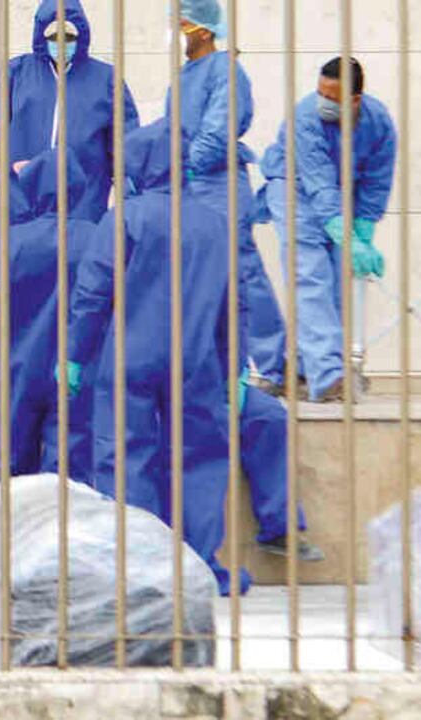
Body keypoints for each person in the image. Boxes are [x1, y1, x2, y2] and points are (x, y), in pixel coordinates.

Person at [63, 120, 319, 598]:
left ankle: (138, 570)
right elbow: (235, 302)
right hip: (197, 360)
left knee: (125, 458)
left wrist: (74, 355)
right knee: (200, 461)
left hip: (131, 357)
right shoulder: (215, 223)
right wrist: (235, 366)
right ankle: (198, 567)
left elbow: (93, 293)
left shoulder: (125, 218)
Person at [0, 147, 98, 493]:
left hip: (17, 370)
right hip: (76, 371)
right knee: (69, 471)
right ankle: (61, 527)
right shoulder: (97, 239)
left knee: (1, 463)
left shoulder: (15, 241)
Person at [258, 56, 397, 402]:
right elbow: (319, 184)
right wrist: (345, 233)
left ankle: (300, 371)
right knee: (310, 277)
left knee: (335, 284)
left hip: (338, 194)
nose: (323, 102)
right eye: (320, 93)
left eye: (332, 97)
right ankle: (330, 377)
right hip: (294, 188)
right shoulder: (306, 118)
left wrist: (363, 233)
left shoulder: (379, 124)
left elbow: (376, 181)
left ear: (355, 99)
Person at [167, 0, 287, 396]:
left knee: (241, 272)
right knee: (194, 277)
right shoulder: (183, 76)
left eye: (181, 22)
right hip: (188, 184)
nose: (174, 29)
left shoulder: (225, 71)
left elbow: (218, 130)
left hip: (218, 183)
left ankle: (274, 366)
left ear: (203, 30)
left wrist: (187, 165)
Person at [0, 0, 139, 237]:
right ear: (42, 35)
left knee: (78, 257)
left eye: (69, 36)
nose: (61, 43)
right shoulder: (16, 73)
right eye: (54, 36)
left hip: (84, 203)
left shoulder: (105, 79)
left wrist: (129, 185)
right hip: (20, 200)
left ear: (81, 35)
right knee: (19, 256)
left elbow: (125, 139)